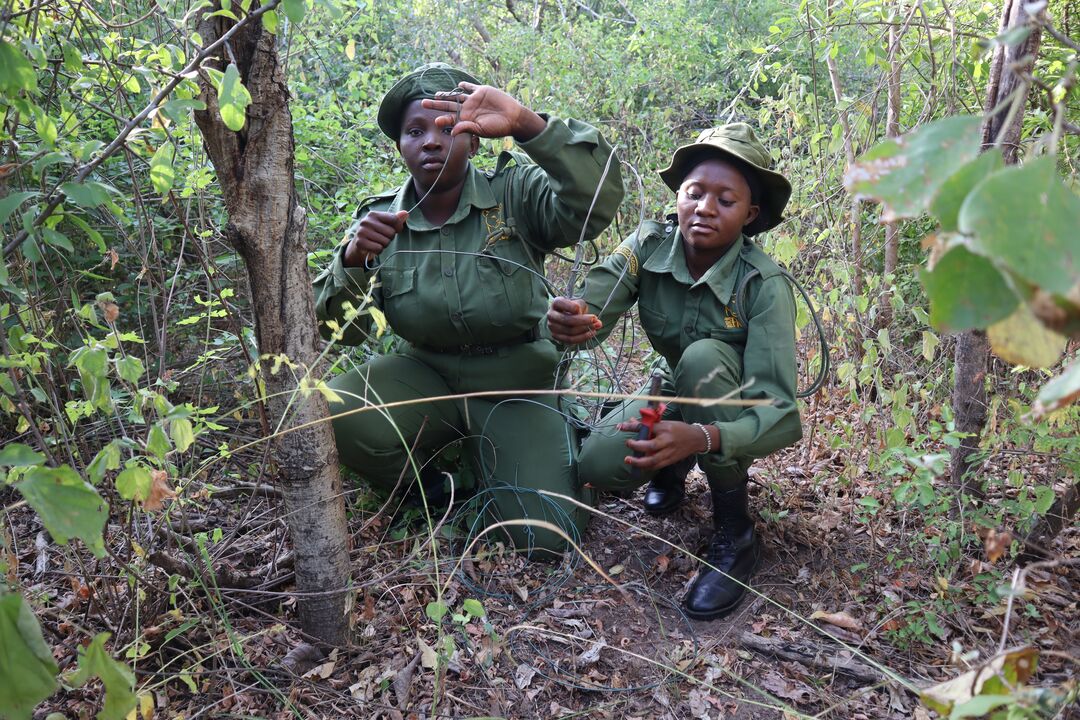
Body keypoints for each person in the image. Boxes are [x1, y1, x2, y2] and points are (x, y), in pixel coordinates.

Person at [312, 63, 624, 557]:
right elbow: (336, 331)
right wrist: (354, 259)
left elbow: (596, 199)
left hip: (517, 379)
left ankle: (561, 444)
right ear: (400, 147)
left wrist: (527, 124)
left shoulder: (515, 195)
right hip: (427, 374)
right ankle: (437, 488)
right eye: (414, 131)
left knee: (543, 541)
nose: (430, 142)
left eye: (446, 127)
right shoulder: (378, 222)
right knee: (327, 410)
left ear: (474, 139)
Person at [546, 124, 802, 618]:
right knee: (600, 466)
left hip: (728, 402)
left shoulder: (764, 284)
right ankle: (672, 463)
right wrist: (568, 321)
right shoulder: (648, 244)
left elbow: (782, 415)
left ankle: (735, 529)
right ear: (679, 196)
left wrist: (700, 437)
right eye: (695, 192)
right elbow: (592, 313)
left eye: (725, 200)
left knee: (705, 357)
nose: (705, 208)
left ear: (749, 215)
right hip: (670, 391)